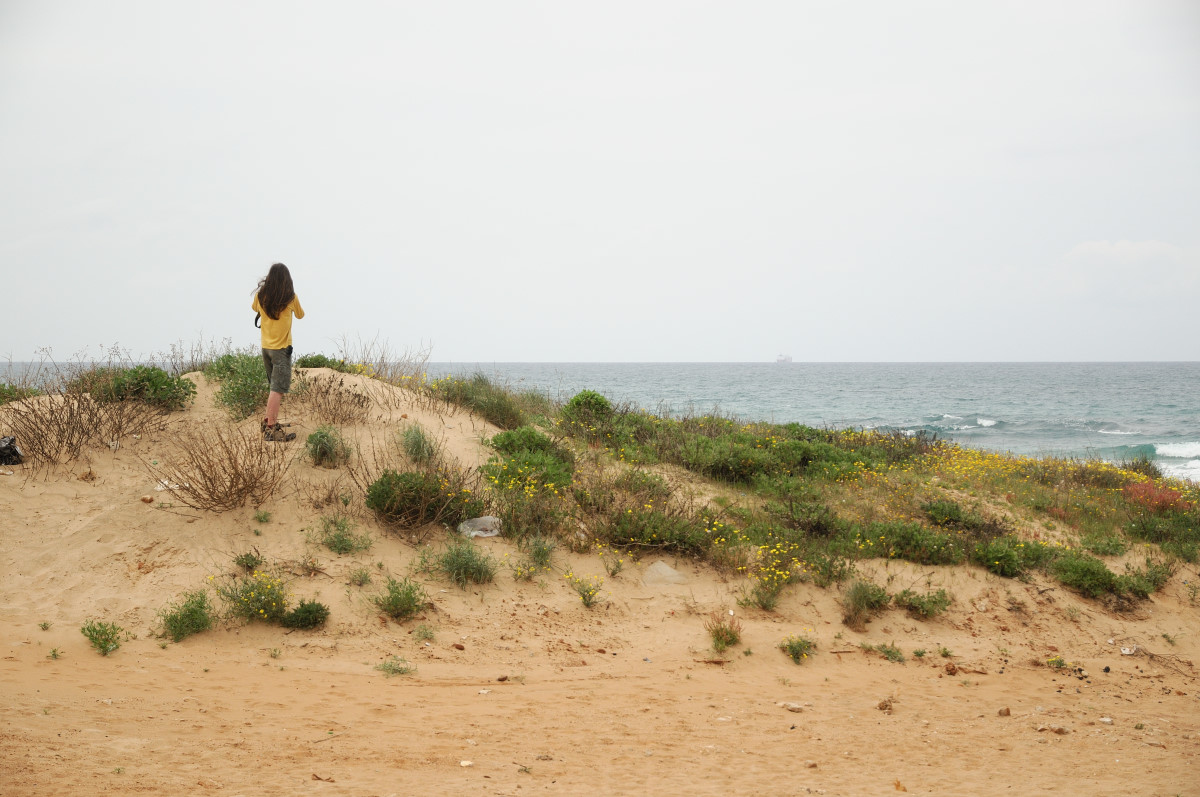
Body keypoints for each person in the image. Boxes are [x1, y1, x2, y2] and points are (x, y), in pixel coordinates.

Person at [252, 263, 304, 442]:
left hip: (266, 348)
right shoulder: (290, 298)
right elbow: (300, 315)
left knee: (273, 387)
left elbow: (254, 308)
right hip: (281, 350)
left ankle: (268, 420)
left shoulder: (261, 296)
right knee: (277, 389)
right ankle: (271, 429)